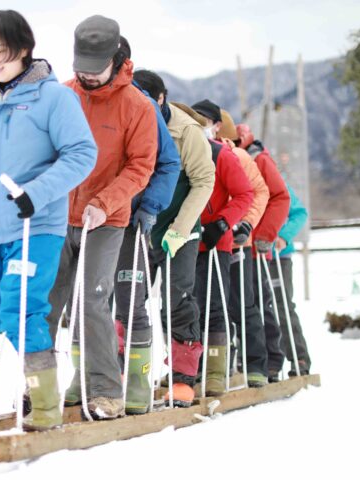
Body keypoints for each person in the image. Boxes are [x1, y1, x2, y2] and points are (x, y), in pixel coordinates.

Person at [0, 10, 97, 431]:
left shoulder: (54, 98)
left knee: (21, 312)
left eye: (3, 51)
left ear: (25, 50)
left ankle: (44, 405)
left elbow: (82, 154)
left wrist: (37, 193)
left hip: (35, 227)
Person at [45, 15, 157, 420]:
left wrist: (105, 202)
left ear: (116, 58)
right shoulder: (61, 96)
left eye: (95, 70)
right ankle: (37, 388)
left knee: (92, 302)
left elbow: (141, 166)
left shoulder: (137, 107)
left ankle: (106, 390)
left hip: (106, 220)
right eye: (81, 70)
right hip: (58, 215)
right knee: (46, 299)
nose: (87, 78)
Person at [133, 70, 216, 407]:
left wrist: (180, 229)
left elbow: (203, 181)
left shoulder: (187, 131)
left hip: (178, 227)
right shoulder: (130, 120)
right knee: (127, 299)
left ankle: (183, 378)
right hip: (137, 225)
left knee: (177, 299)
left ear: (161, 99)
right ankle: (128, 372)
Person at [111, 38, 181, 415]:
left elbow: (170, 165)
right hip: (86, 216)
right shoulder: (73, 96)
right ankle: (95, 378)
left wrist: (150, 208)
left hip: (133, 218)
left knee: (130, 299)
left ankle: (136, 380)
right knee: (84, 303)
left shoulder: (142, 106)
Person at [191, 99, 253, 396]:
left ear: (216, 126)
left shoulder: (223, 156)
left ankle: (215, 370)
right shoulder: (184, 150)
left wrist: (224, 223)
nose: (199, 125)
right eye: (195, 119)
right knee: (185, 306)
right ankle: (189, 366)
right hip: (185, 239)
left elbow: (245, 194)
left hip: (216, 241)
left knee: (214, 306)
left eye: (204, 121)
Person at [217, 110, 271, 388]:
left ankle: (255, 365)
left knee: (242, 304)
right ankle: (221, 362)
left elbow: (260, 192)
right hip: (213, 240)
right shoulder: (199, 152)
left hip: (238, 240)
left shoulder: (240, 157)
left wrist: (246, 223)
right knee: (215, 305)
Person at [236, 123, 291, 382]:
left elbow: (280, 197)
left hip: (257, 244)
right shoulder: (230, 155)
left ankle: (272, 359)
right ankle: (247, 358)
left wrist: (265, 235)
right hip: (238, 242)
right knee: (245, 303)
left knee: (261, 301)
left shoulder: (259, 159)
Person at [272, 183, 311, 376]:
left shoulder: (278, 183)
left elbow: (299, 213)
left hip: (279, 256)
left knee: (282, 306)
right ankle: (267, 360)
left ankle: (299, 357)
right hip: (252, 255)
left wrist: (283, 237)